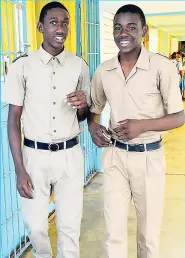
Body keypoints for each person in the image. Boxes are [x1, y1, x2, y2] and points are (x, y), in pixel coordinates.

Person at [87, 4, 184, 258]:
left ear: (144, 31)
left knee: (149, 234)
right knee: (114, 232)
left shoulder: (162, 67)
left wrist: (141, 125)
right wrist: (93, 128)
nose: (124, 33)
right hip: (115, 157)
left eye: (131, 27)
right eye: (118, 28)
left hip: (149, 157)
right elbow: (94, 109)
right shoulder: (104, 70)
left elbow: (179, 116)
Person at [3, 2, 90, 258]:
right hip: (34, 156)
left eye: (65, 22)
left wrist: (83, 105)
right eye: (53, 22)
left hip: (69, 155)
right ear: (41, 27)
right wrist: (20, 169)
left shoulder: (79, 65)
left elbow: (83, 116)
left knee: (70, 226)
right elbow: (13, 119)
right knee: (36, 226)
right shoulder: (22, 66)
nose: (60, 27)